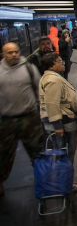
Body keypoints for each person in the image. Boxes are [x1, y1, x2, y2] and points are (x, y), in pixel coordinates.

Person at [0, 43, 44, 198]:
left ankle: (43, 181)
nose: (14, 55)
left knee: (38, 152)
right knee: (3, 154)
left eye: (16, 52)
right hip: (6, 120)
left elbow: (39, 88)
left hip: (29, 117)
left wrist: (42, 111)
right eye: (10, 52)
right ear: (3, 55)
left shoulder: (29, 68)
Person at [39, 52, 77, 192]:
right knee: (65, 153)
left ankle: (65, 180)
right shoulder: (53, 80)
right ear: (52, 65)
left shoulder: (53, 77)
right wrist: (58, 126)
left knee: (63, 152)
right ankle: (66, 182)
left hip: (62, 119)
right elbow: (52, 104)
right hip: (63, 121)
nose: (63, 63)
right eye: (60, 61)